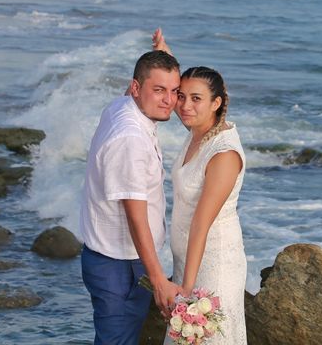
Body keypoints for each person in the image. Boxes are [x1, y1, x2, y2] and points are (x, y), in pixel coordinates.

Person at [79, 50, 183, 345]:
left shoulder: (122, 106)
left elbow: (148, 87)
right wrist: (159, 280)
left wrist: (160, 56)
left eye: (174, 91)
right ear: (136, 88)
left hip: (109, 258)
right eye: (159, 90)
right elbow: (136, 218)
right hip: (120, 265)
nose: (169, 101)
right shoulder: (131, 140)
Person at [154, 30, 247, 344]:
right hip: (188, 263)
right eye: (181, 96)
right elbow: (191, 83)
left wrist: (187, 291)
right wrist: (165, 56)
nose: (184, 105)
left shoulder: (223, 155)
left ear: (216, 103)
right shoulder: (199, 131)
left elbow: (201, 224)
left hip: (213, 268)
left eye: (196, 99)